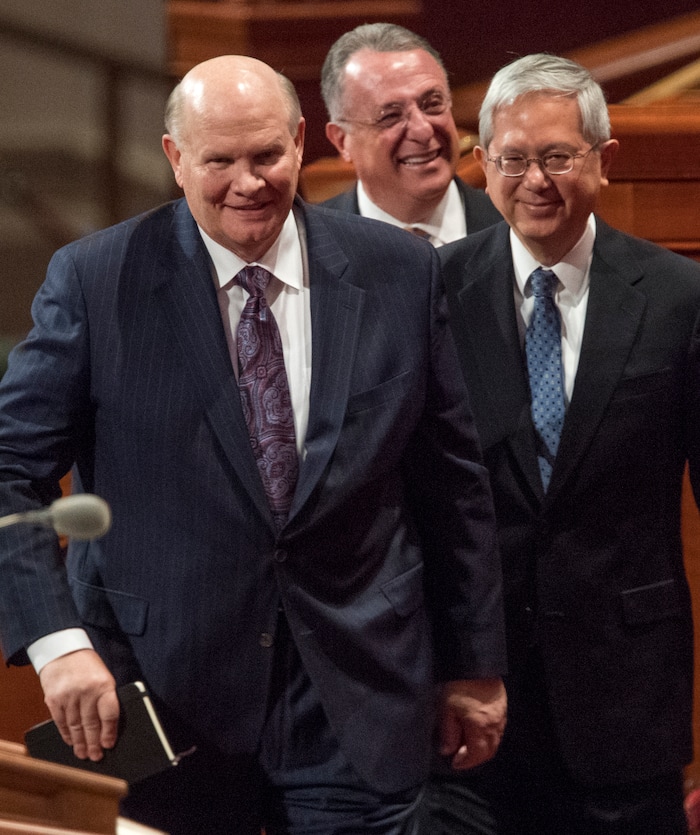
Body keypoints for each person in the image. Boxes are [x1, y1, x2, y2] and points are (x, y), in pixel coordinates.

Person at [0, 55, 508, 835]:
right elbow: (11, 471)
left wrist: (474, 662)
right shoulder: (94, 280)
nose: (249, 182)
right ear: (175, 159)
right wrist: (56, 642)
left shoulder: (401, 273)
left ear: (303, 141)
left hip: (359, 698)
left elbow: (451, 483)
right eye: (220, 161)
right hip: (163, 702)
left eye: (267, 155)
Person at [423, 52, 700, 835]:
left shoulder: (679, 299)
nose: (535, 179)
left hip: (627, 706)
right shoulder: (434, 292)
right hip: (471, 700)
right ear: (482, 165)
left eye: (556, 157)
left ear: (603, 162)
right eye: (513, 158)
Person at [319, 23, 501, 244]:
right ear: (342, 141)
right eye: (391, 116)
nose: (423, 130)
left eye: (432, 104)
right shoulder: (310, 245)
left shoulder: (514, 229)